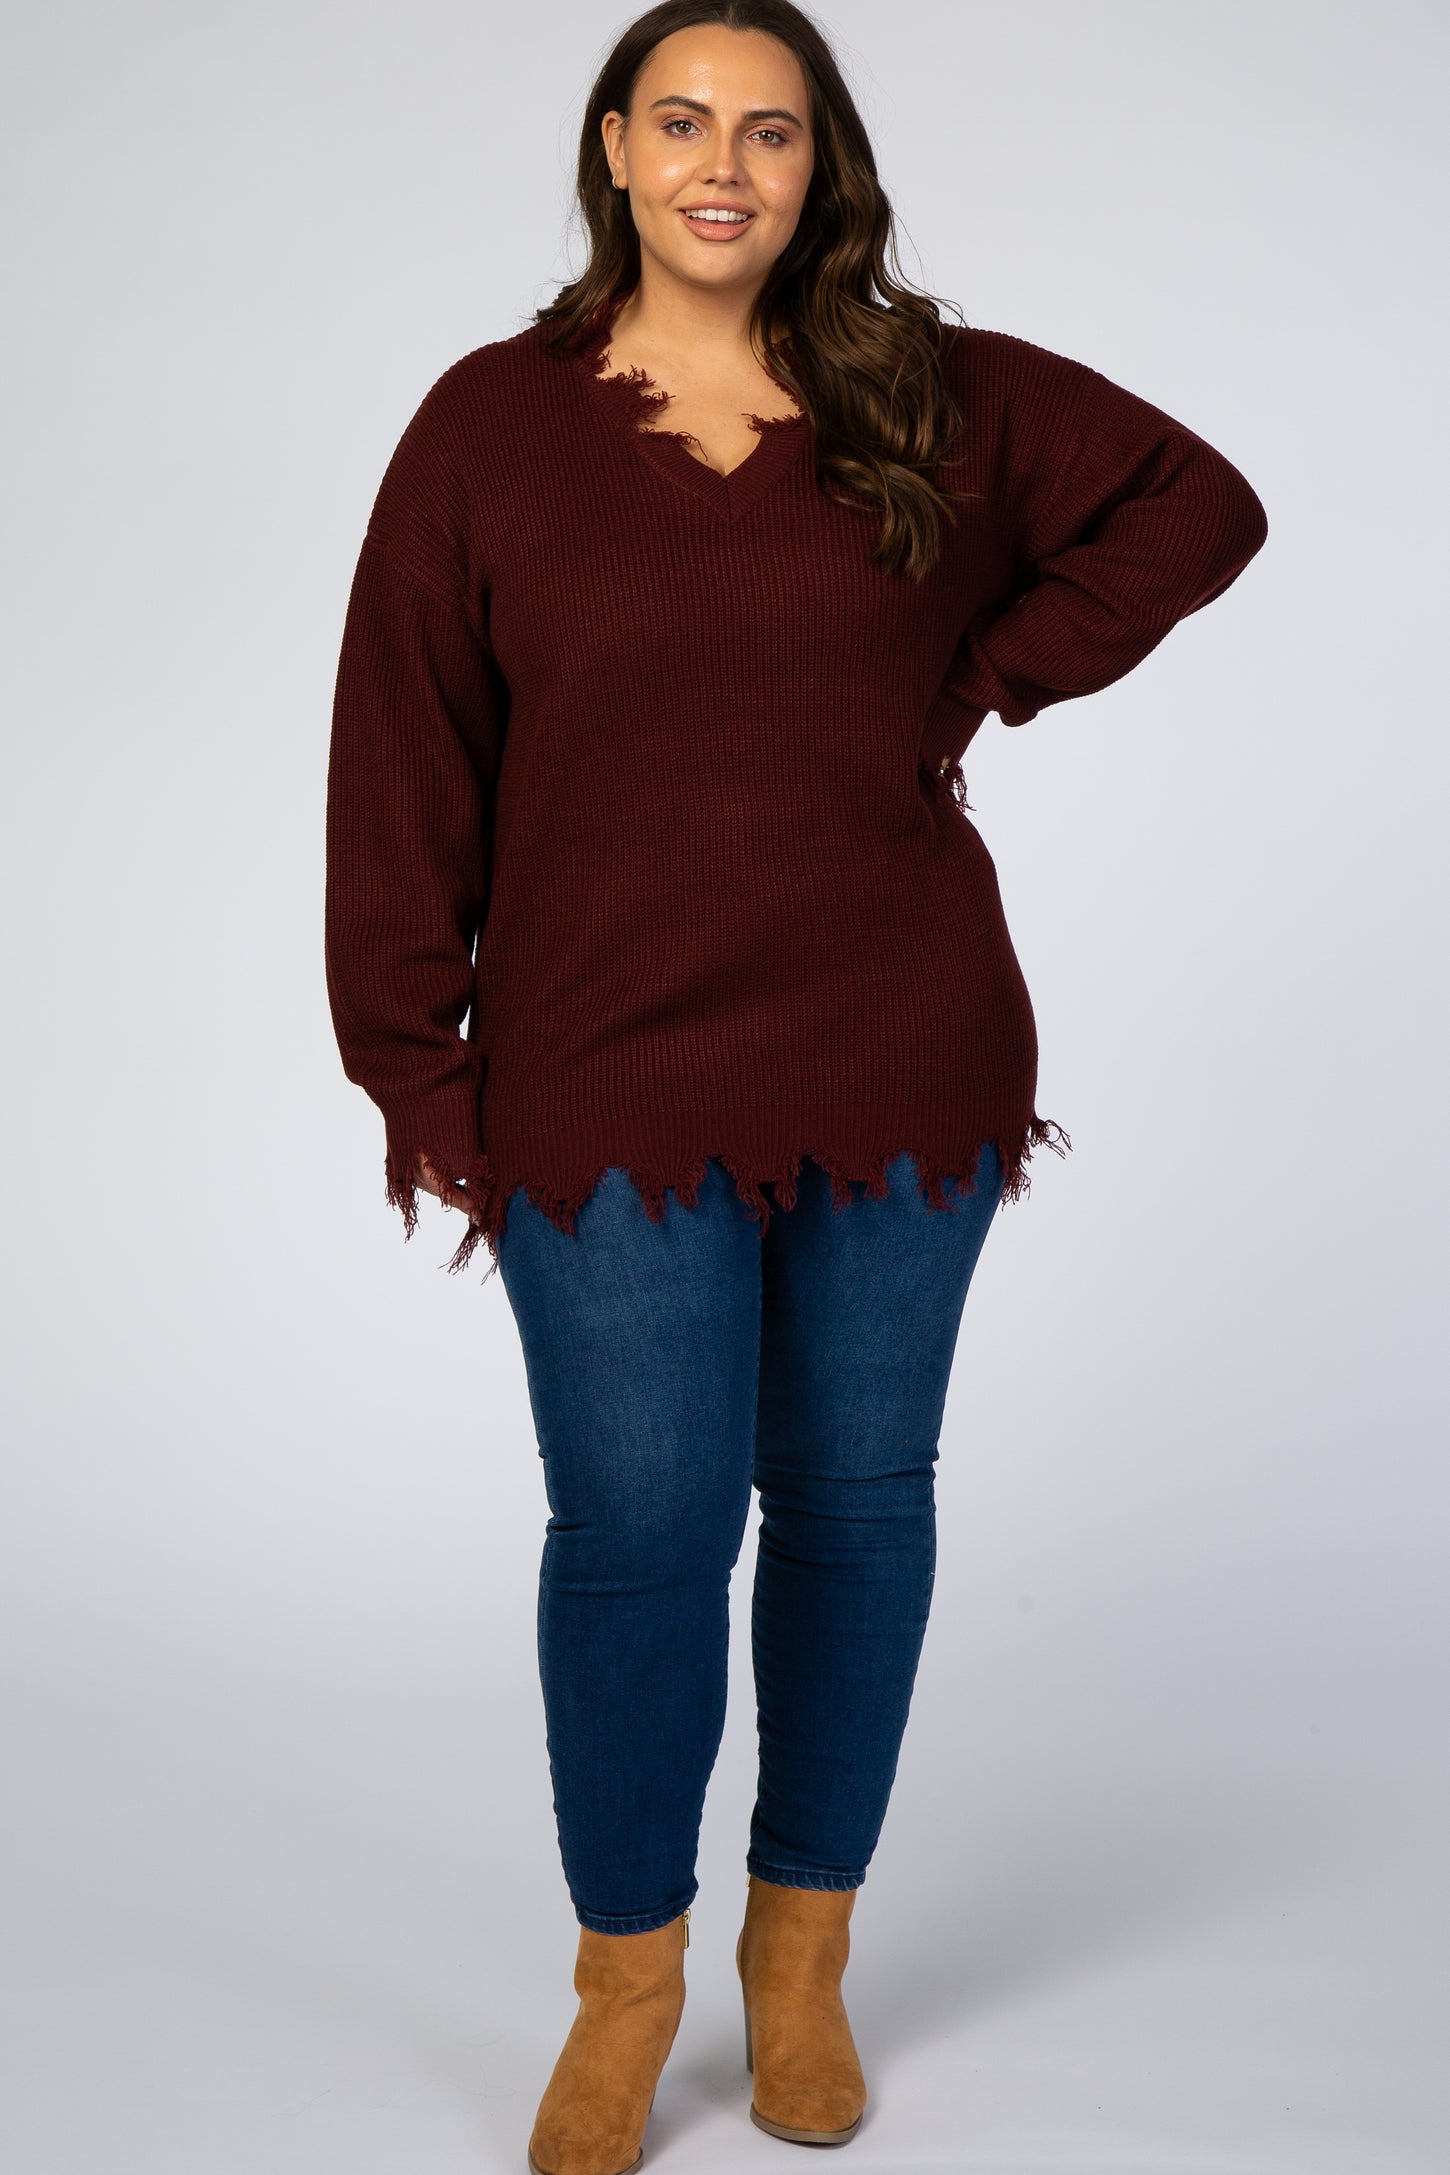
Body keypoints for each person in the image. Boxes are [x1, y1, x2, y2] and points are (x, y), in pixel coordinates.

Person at [323, 4, 1267, 2169]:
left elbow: (1194, 503)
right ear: (613, 148)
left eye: (768, 129)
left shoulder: (924, 392)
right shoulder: (490, 424)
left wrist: (986, 668)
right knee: (637, 1530)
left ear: (817, 162)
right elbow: (402, 752)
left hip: (893, 1045)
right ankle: (625, 1982)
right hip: (599, 1057)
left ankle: (799, 1954)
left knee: (851, 1504)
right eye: (682, 122)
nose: (723, 165)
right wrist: (415, 1058)